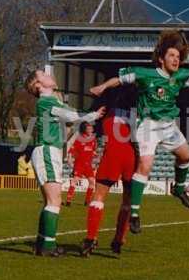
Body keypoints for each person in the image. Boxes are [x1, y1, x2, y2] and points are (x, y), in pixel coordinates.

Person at [90, 30, 189, 233]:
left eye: (178, 57)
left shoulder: (182, 76)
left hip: (169, 125)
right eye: (172, 56)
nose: (176, 60)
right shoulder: (145, 74)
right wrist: (102, 87)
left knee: (186, 157)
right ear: (161, 59)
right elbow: (119, 79)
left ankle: (178, 188)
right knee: (145, 165)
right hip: (148, 126)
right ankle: (134, 214)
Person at [25, 69, 105, 257]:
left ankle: (42, 242)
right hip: (47, 150)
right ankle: (48, 246)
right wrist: (93, 115)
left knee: (49, 201)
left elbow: (69, 118)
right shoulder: (47, 101)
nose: (48, 74)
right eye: (42, 75)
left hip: (48, 150)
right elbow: (72, 117)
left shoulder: (50, 101)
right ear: (38, 85)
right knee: (54, 201)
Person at [80, 85, 137, 256]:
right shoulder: (137, 114)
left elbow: (91, 119)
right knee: (127, 201)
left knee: (99, 196)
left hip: (112, 154)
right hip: (131, 157)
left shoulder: (106, 111)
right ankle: (119, 240)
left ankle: (91, 239)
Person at [65, 122, 98, 206]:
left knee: (92, 182)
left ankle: (87, 201)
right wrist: (69, 158)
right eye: (89, 128)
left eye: (91, 128)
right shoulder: (79, 139)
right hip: (79, 164)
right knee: (75, 181)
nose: (91, 130)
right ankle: (68, 200)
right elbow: (72, 149)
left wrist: (94, 154)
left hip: (88, 165)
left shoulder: (93, 139)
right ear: (84, 130)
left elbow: (93, 150)